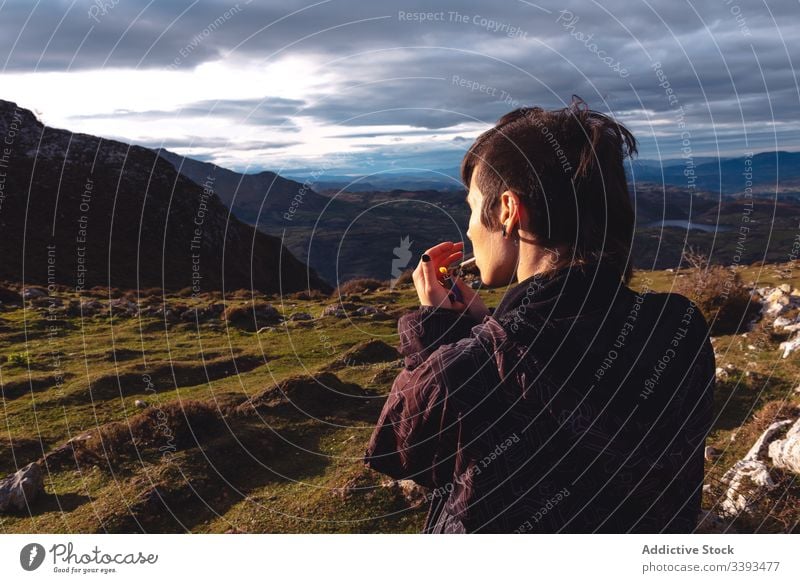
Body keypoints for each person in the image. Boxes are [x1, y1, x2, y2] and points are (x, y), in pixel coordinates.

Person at [363, 95, 716, 533]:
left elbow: (404, 452)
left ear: (509, 211)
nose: (470, 227)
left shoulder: (469, 365)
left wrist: (440, 336)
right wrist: (479, 334)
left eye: (472, 207)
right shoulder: (679, 325)